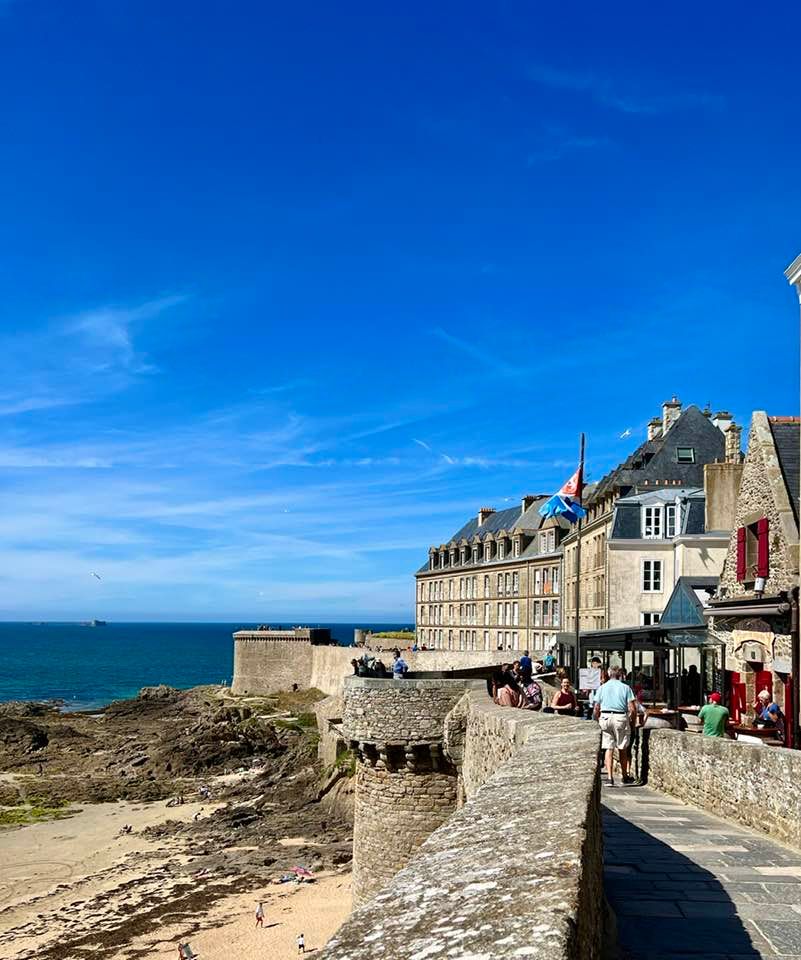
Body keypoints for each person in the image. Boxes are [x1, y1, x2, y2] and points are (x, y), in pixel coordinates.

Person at [593, 665, 637, 787]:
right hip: (620, 718)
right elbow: (632, 709)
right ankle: (624, 776)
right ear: (620, 674)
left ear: (608, 674)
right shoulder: (626, 688)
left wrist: (596, 720)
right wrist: (632, 723)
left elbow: (596, 707)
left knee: (608, 747)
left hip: (605, 717)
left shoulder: (602, 688)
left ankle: (610, 777)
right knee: (622, 747)